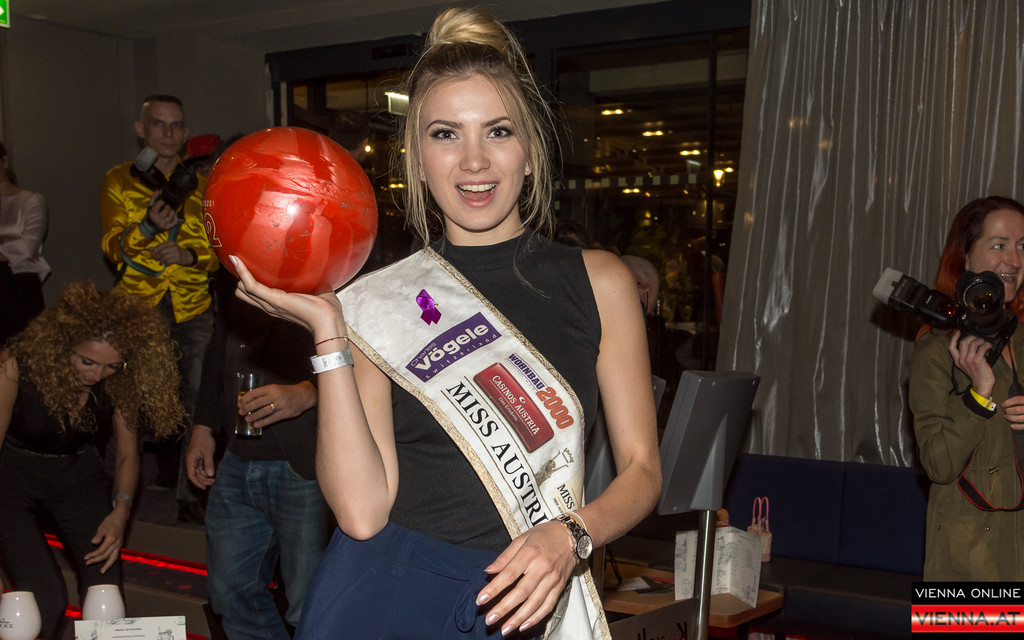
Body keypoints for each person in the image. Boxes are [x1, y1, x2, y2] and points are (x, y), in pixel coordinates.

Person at [229, 7, 661, 639]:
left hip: (528, 589)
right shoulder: (378, 301)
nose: (474, 161)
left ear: (531, 152)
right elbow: (361, 512)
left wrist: (572, 536)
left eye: (498, 131)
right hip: (389, 592)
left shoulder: (600, 281)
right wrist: (330, 336)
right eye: (446, 134)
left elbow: (643, 471)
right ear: (419, 159)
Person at [0, 281, 183, 640]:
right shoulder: (15, 366)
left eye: (111, 365)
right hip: (10, 481)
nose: (96, 375)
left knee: (106, 598)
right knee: (45, 600)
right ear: (62, 344)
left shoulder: (121, 380)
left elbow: (128, 455)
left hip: (77, 479)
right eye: (87, 361)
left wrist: (121, 511)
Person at [186, 272, 329, 639]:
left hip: (303, 462)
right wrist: (203, 427)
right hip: (236, 456)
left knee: (309, 605)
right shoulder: (229, 268)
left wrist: (308, 392)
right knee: (230, 594)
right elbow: (220, 345)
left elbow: (360, 347)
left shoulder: (319, 266)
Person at [100, 94, 218, 522]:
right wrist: (148, 227)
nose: (167, 133)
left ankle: (191, 497)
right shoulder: (119, 180)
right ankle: (112, 496)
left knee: (199, 404)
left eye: (175, 125)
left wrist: (190, 256)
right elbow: (112, 249)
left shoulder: (203, 185)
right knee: (126, 403)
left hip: (194, 307)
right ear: (141, 129)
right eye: (158, 124)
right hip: (137, 305)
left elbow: (220, 251)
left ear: (185, 133)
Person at [909, 195, 1024, 580]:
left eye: (1023, 246)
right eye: (999, 245)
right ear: (966, 258)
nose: (1015, 260)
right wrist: (978, 396)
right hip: (967, 561)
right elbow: (938, 465)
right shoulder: (936, 349)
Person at [0, 141, 50, 344]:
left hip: (18, 288)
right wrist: (8, 241)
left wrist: (12, 248)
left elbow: (27, 247)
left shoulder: (31, 200)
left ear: (4, 161)